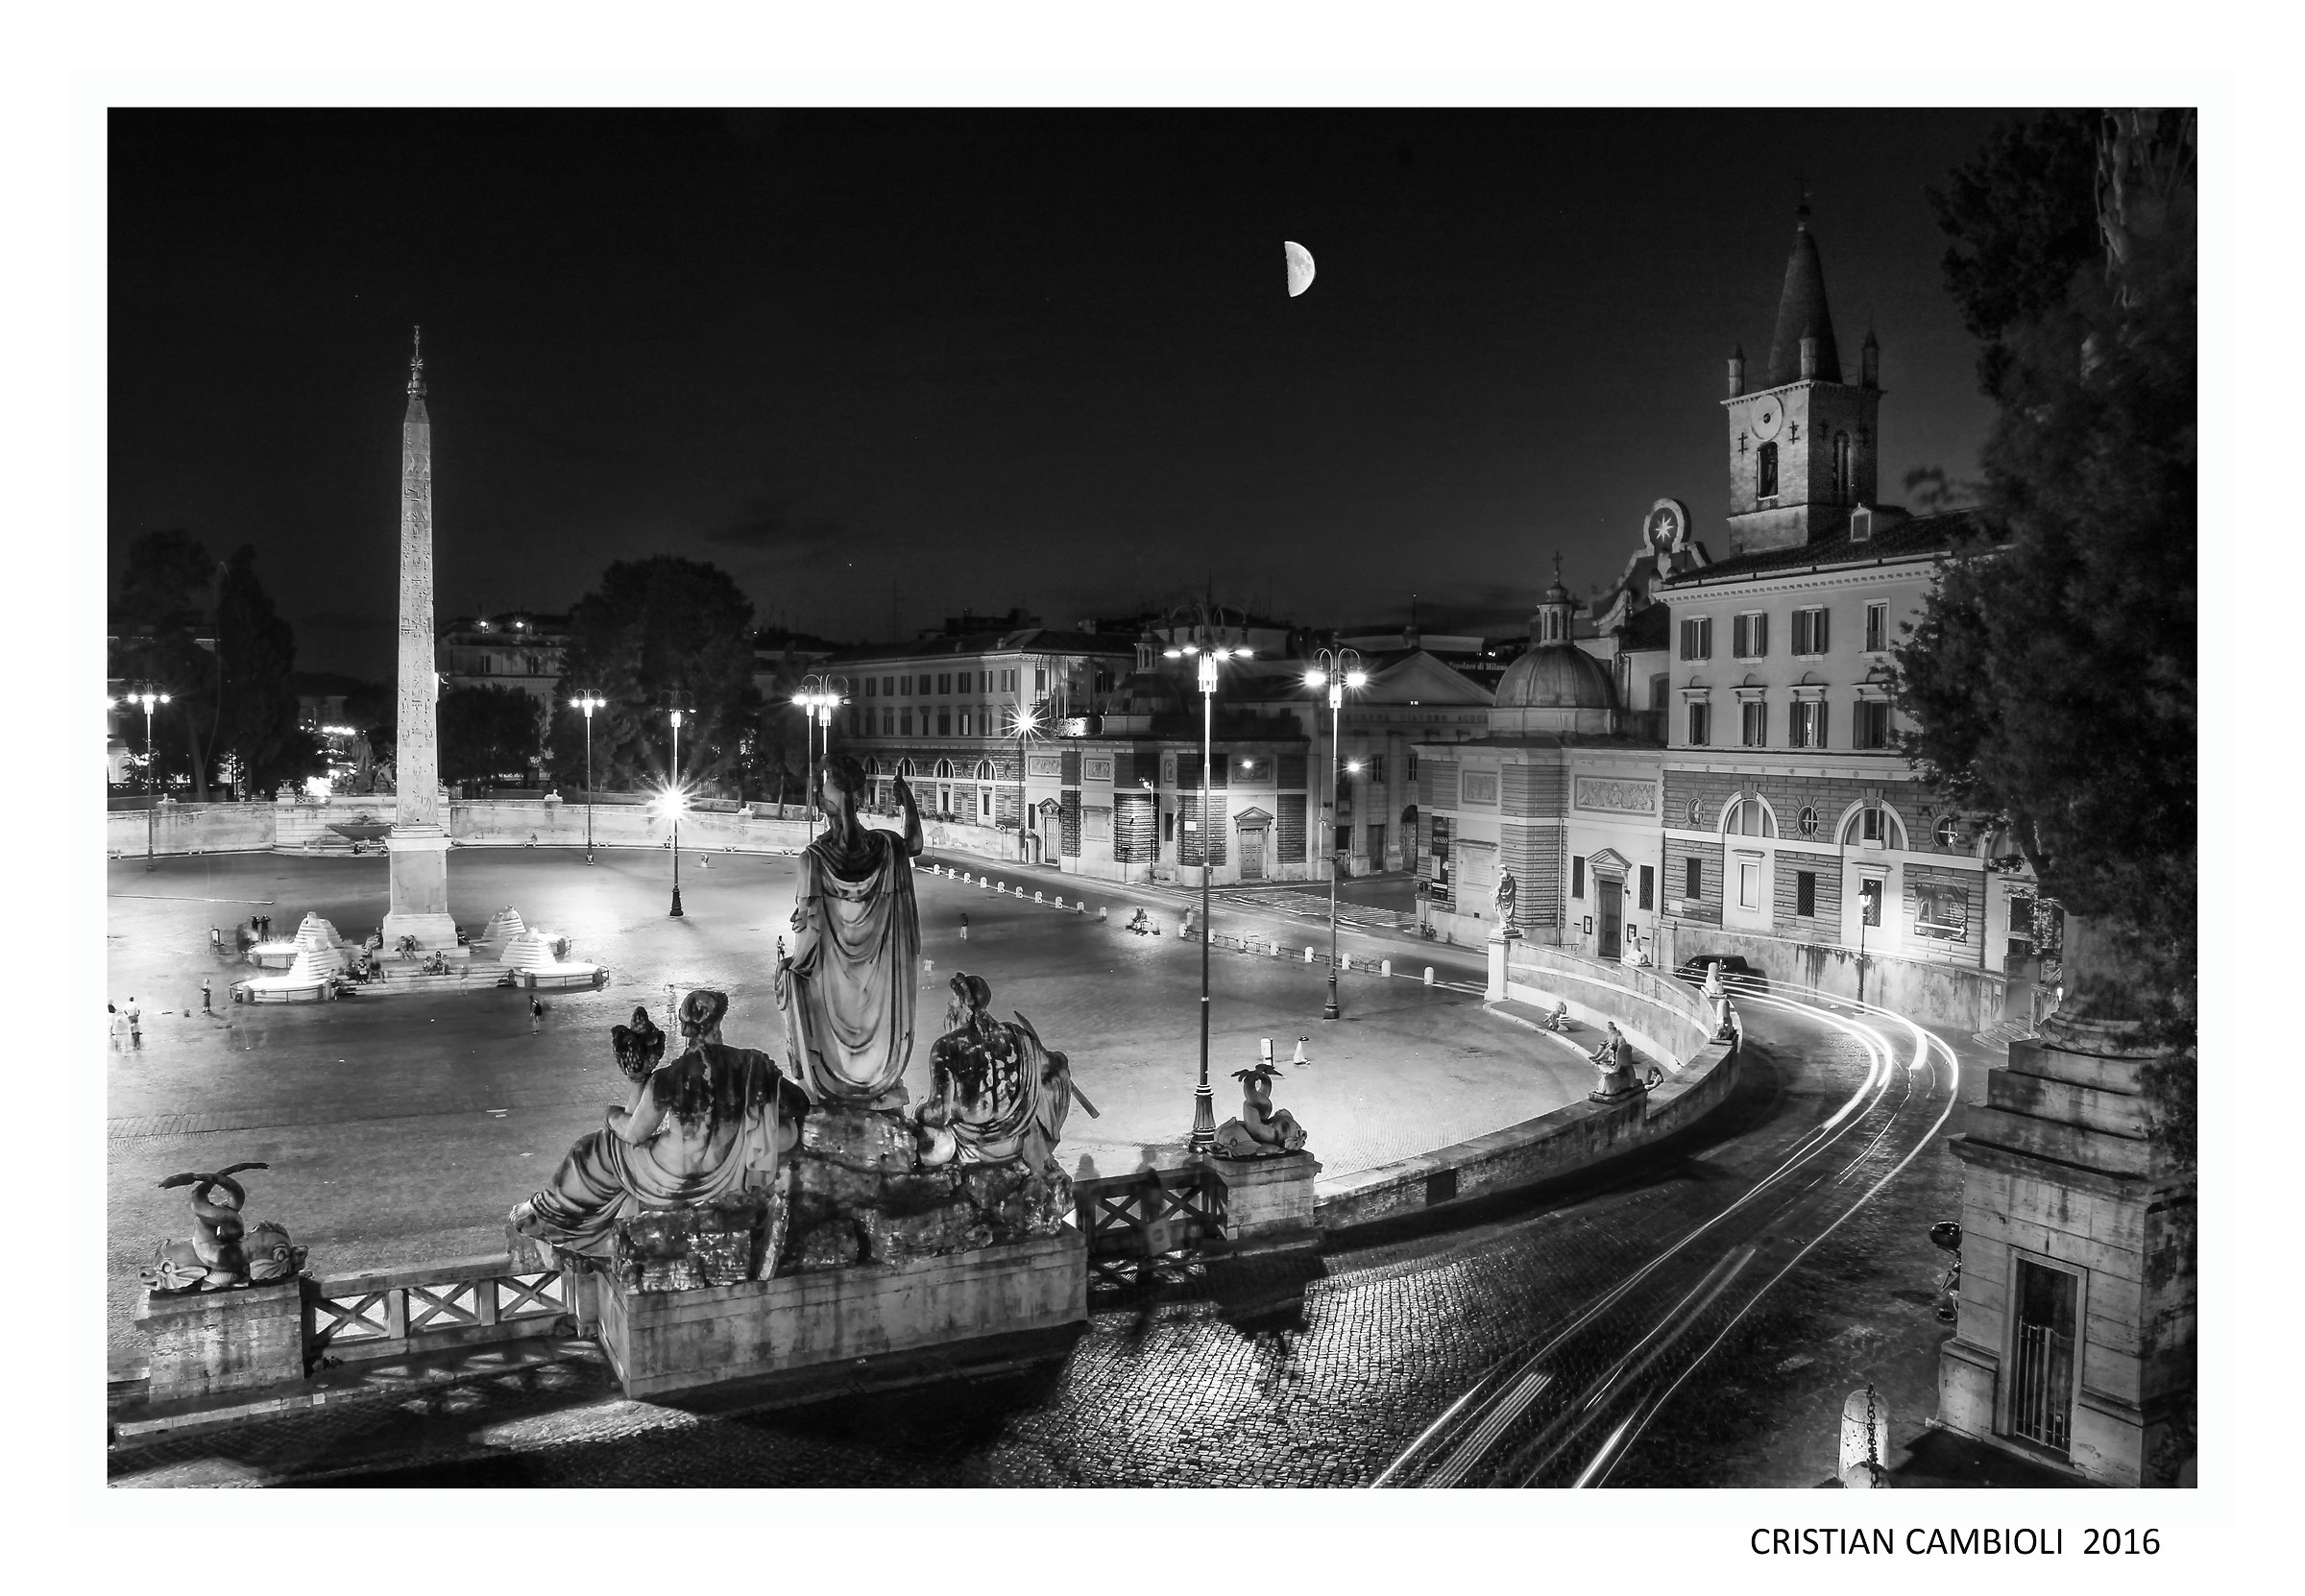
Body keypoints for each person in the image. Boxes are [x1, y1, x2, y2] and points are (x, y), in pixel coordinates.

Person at [510, 993, 813, 1264]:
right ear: (719, 1022)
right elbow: (799, 1103)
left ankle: (545, 1214)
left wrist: (611, 1113)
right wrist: (758, 1122)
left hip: (673, 1176)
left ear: (684, 1028)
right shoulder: (752, 1064)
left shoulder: (670, 1078)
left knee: (591, 1150)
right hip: (733, 1171)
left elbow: (633, 1134)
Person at [775, 755, 924, 1109]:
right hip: (879, 996)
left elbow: (809, 945)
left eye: (823, 787)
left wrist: (789, 970)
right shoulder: (886, 848)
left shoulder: (812, 860)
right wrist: (908, 802)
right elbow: (914, 843)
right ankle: (875, 1081)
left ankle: (837, 1085)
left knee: (788, 977)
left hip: (834, 995)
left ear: (831, 803)